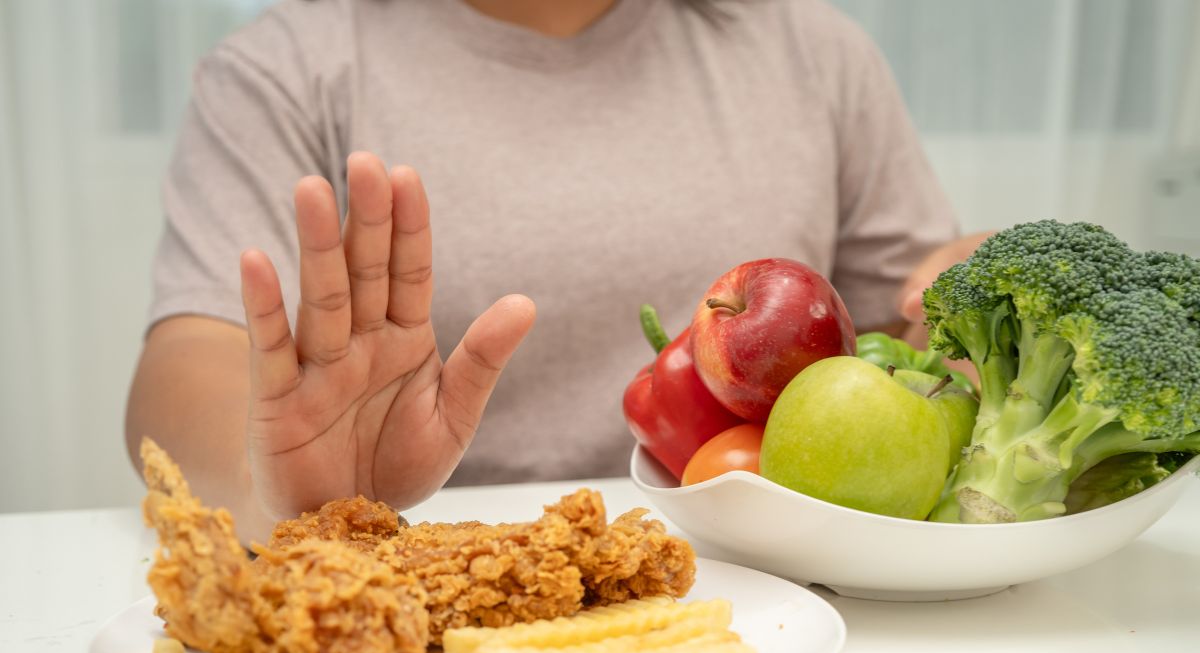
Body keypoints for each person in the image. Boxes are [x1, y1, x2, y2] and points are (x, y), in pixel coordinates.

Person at [124, 0, 985, 542]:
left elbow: (908, 343)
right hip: (421, 590)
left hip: (784, 603)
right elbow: (188, 362)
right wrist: (281, 490)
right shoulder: (284, 70)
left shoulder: (816, 51)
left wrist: (983, 323)